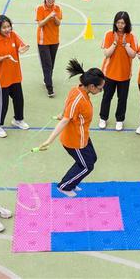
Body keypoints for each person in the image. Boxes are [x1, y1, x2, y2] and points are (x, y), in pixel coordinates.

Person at [39, 59, 105, 197]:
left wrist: (62, 113)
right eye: (100, 88)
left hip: (83, 135)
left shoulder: (79, 89)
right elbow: (65, 121)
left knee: (92, 159)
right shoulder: (79, 99)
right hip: (75, 141)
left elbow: (67, 105)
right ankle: (64, 186)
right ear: (92, 86)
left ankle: (72, 182)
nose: (101, 90)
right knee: (87, 165)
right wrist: (49, 141)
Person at [0, 15, 30, 138]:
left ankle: (18, 119)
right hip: (2, 78)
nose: (8, 29)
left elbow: (21, 47)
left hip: (15, 75)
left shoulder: (13, 35)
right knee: (3, 103)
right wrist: (6, 57)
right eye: (4, 27)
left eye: (9, 26)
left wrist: (24, 49)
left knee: (19, 99)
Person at [99, 11, 137, 131]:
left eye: (123, 23)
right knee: (107, 97)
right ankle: (103, 118)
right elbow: (106, 53)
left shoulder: (131, 36)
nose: (120, 25)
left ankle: (119, 120)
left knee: (122, 98)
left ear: (127, 24)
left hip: (124, 74)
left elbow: (133, 55)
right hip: (109, 73)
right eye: (118, 22)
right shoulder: (109, 34)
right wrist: (115, 43)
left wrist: (126, 45)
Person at [36, 0, 63, 97]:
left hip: (54, 40)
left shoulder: (58, 8)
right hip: (43, 41)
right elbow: (40, 24)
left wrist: (55, 16)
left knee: (51, 63)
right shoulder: (39, 8)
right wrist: (48, 17)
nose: (50, 0)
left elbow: (58, 23)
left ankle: (47, 79)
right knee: (47, 64)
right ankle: (49, 88)